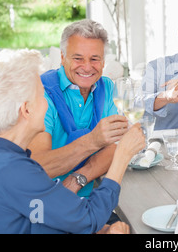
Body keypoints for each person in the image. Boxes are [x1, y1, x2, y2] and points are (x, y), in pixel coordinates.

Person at [0, 49, 145, 233]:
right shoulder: (14, 172)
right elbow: (89, 218)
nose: (48, 101)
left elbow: (41, 218)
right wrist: (123, 153)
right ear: (26, 110)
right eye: (43, 95)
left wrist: (103, 230)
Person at [28, 19, 130, 199]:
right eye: (78, 58)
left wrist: (78, 179)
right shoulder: (42, 93)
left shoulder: (106, 87)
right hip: (45, 201)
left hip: (91, 196)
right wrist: (94, 140)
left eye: (94, 59)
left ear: (103, 62)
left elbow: (115, 148)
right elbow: (39, 167)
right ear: (62, 57)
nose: (87, 67)